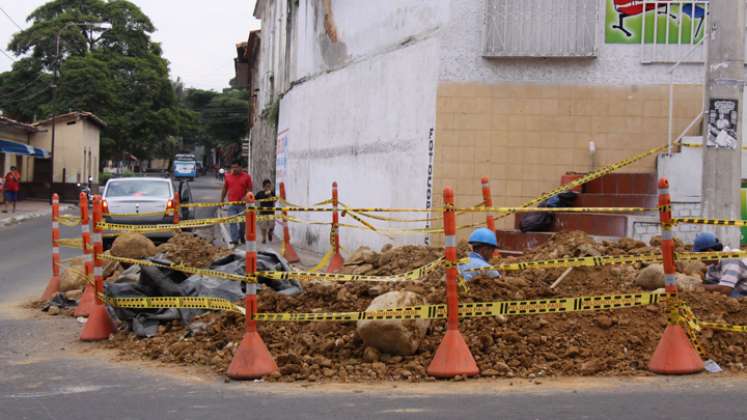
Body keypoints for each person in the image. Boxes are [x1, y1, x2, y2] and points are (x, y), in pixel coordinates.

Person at [692, 231, 747, 298]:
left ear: (709, 252)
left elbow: (725, 290)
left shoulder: (731, 258)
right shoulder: (712, 265)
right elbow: (710, 284)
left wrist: (698, 286)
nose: (699, 259)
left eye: (699, 255)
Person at [221, 161, 252, 246]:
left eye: (236, 167)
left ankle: (241, 236)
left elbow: (250, 190)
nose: (234, 169)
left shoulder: (246, 177)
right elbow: (224, 189)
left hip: (242, 205)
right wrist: (222, 200)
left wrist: (246, 197)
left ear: (240, 167)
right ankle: (234, 240)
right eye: (232, 167)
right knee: (232, 222)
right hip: (232, 205)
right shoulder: (228, 176)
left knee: (242, 224)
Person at [255, 179, 276, 244]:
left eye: (269, 186)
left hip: (271, 212)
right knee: (263, 227)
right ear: (263, 187)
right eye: (267, 186)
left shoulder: (272, 193)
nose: (268, 188)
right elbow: (253, 198)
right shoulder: (260, 193)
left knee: (272, 226)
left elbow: (274, 201)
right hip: (262, 213)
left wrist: (270, 195)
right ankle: (264, 238)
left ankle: (270, 233)